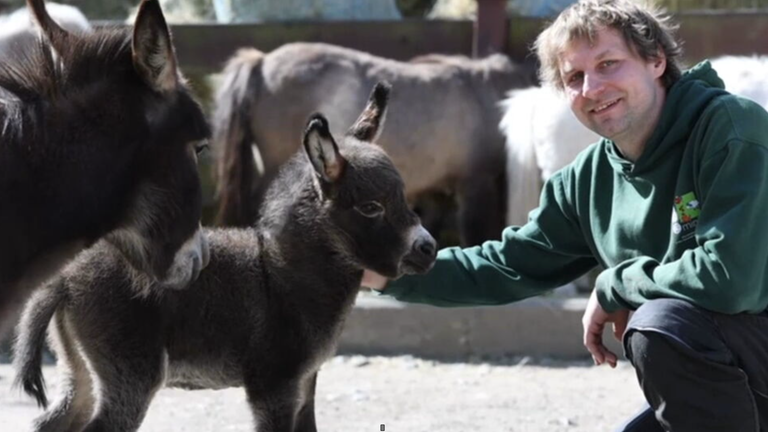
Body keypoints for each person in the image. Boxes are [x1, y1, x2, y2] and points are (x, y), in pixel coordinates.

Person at [362, 0, 768, 430]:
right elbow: (508, 264)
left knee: (660, 323)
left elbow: (730, 279)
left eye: (609, 64)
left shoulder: (731, 128)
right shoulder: (588, 178)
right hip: (733, 378)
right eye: (574, 77)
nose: (592, 87)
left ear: (656, 61)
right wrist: (390, 270)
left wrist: (615, 283)